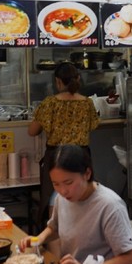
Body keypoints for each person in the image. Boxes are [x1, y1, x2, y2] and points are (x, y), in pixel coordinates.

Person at [19, 145, 132, 264]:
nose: (63, 191)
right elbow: (54, 227)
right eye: (56, 184)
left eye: (68, 183)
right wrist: (38, 239)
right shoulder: (61, 199)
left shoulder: (110, 205)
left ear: (87, 173)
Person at [29, 62, 99, 221]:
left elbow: (32, 131)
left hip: (57, 157)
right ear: (78, 79)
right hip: (81, 156)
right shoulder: (87, 103)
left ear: (58, 82)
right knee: (82, 196)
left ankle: (54, 238)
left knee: (55, 197)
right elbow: (93, 125)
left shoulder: (50, 103)